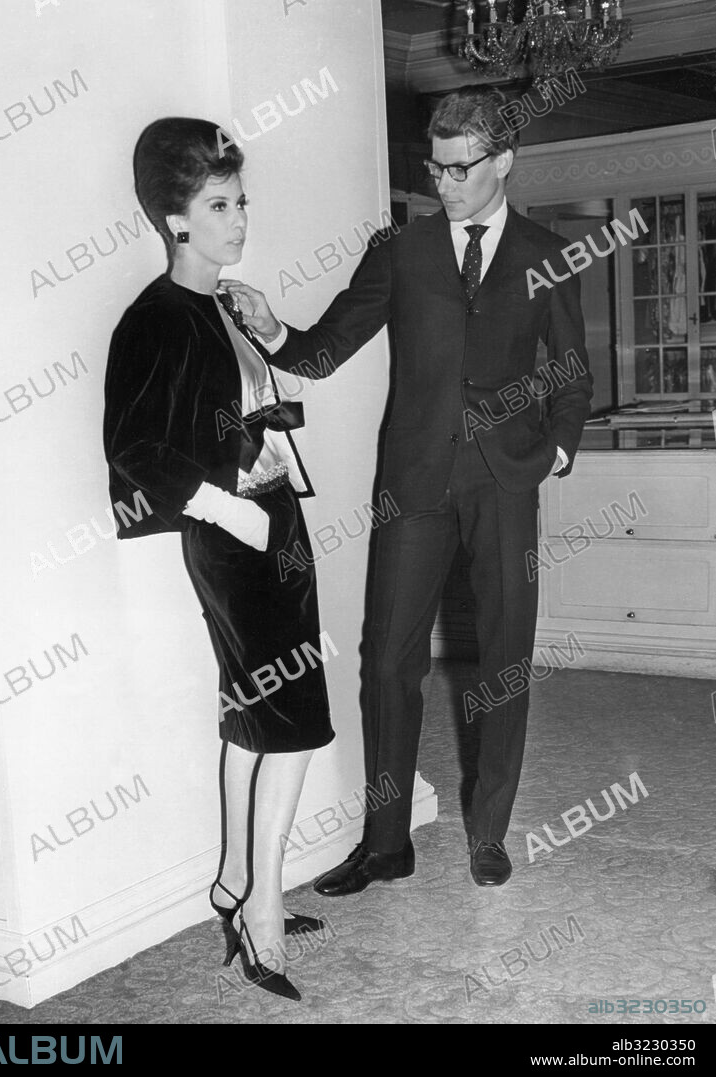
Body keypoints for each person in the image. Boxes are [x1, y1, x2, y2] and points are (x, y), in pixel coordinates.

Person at [222, 87, 594, 895]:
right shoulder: (400, 249)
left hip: (506, 482)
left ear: (502, 162)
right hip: (413, 484)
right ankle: (386, 841)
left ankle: (488, 831)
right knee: (386, 660)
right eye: (435, 166)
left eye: (461, 167)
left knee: (503, 658)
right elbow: (321, 351)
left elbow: (572, 376)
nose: (444, 182)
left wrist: (555, 453)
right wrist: (269, 326)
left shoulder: (547, 251)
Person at [103, 117, 335, 1002]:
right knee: (295, 720)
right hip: (234, 534)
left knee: (257, 713)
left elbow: (252, 401)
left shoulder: (227, 303)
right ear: (175, 218)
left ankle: (234, 888)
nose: (239, 220)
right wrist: (228, 511)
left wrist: (272, 338)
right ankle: (264, 918)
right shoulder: (152, 317)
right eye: (218, 204)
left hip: (277, 520)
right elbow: (134, 448)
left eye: (240, 200)